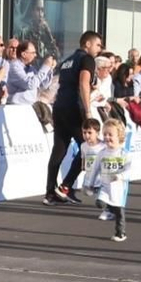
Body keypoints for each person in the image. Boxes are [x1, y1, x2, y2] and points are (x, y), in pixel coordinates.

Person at [45, 30, 102, 205]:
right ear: (87, 44)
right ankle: (65, 187)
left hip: (59, 107)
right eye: (98, 45)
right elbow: (83, 83)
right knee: (89, 147)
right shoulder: (87, 59)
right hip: (75, 108)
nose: (99, 49)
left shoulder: (67, 61)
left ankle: (50, 193)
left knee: (59, 150)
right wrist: (88, 111)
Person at [81, 115, 133, 242]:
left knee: (119, 212)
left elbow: (129, 170)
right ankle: (109, 209)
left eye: (110, 135)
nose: (107, 137)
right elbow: (94, 169)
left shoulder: (124, 154)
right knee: (100, 203)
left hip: (119, 187)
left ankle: (120, 233)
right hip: (104, 186)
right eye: (105, 134)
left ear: (119, 136)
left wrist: (120, 176)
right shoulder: (102, 153)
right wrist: (90, 183)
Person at [4, 41, 53, 106]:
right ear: (24, 54)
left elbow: (42, 85)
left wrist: (49, 69)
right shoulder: (14, 66)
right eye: (33, 53)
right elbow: (30, 84)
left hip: (29, 105)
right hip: (16, 106)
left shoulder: (30, 68)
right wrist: (45, 67)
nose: (35, 55)